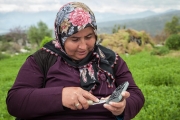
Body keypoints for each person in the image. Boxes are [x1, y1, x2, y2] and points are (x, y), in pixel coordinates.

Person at [6, 2, 145, 120]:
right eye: (74, 39)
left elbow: (135, 94)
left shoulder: (110, 59)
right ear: (61, 37)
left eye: (89, 37)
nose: (83, 46)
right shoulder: (42, 59)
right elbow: (15, 101)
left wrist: (123, 106)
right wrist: (60, 96)